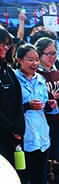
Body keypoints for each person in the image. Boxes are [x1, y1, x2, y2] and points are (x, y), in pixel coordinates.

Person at [15, 44, 55, 184]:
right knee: (23, 178)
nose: (34, 64)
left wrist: (50, 105)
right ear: (19, 60)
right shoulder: (14, 79)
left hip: (42, 134)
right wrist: (27, 106)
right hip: (24, 134)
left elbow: (44, 105)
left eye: (37, 60)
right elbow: (10, 107)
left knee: (41, 177)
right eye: (30, 60)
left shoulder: (41, 79)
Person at [35, 37, 59, 164]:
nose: (53, 57)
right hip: (41, 121)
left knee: (58, 155)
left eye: (55, 53)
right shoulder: (36, 74)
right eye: (49, 53)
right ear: (39, 54)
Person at [0, 27, 24, 168]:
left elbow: (18, 100)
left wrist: (19, 128)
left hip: (12, 133)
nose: (5, 47)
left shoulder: (8, 70)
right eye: (2, 43)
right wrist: (10, 127)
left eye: (7, 44)